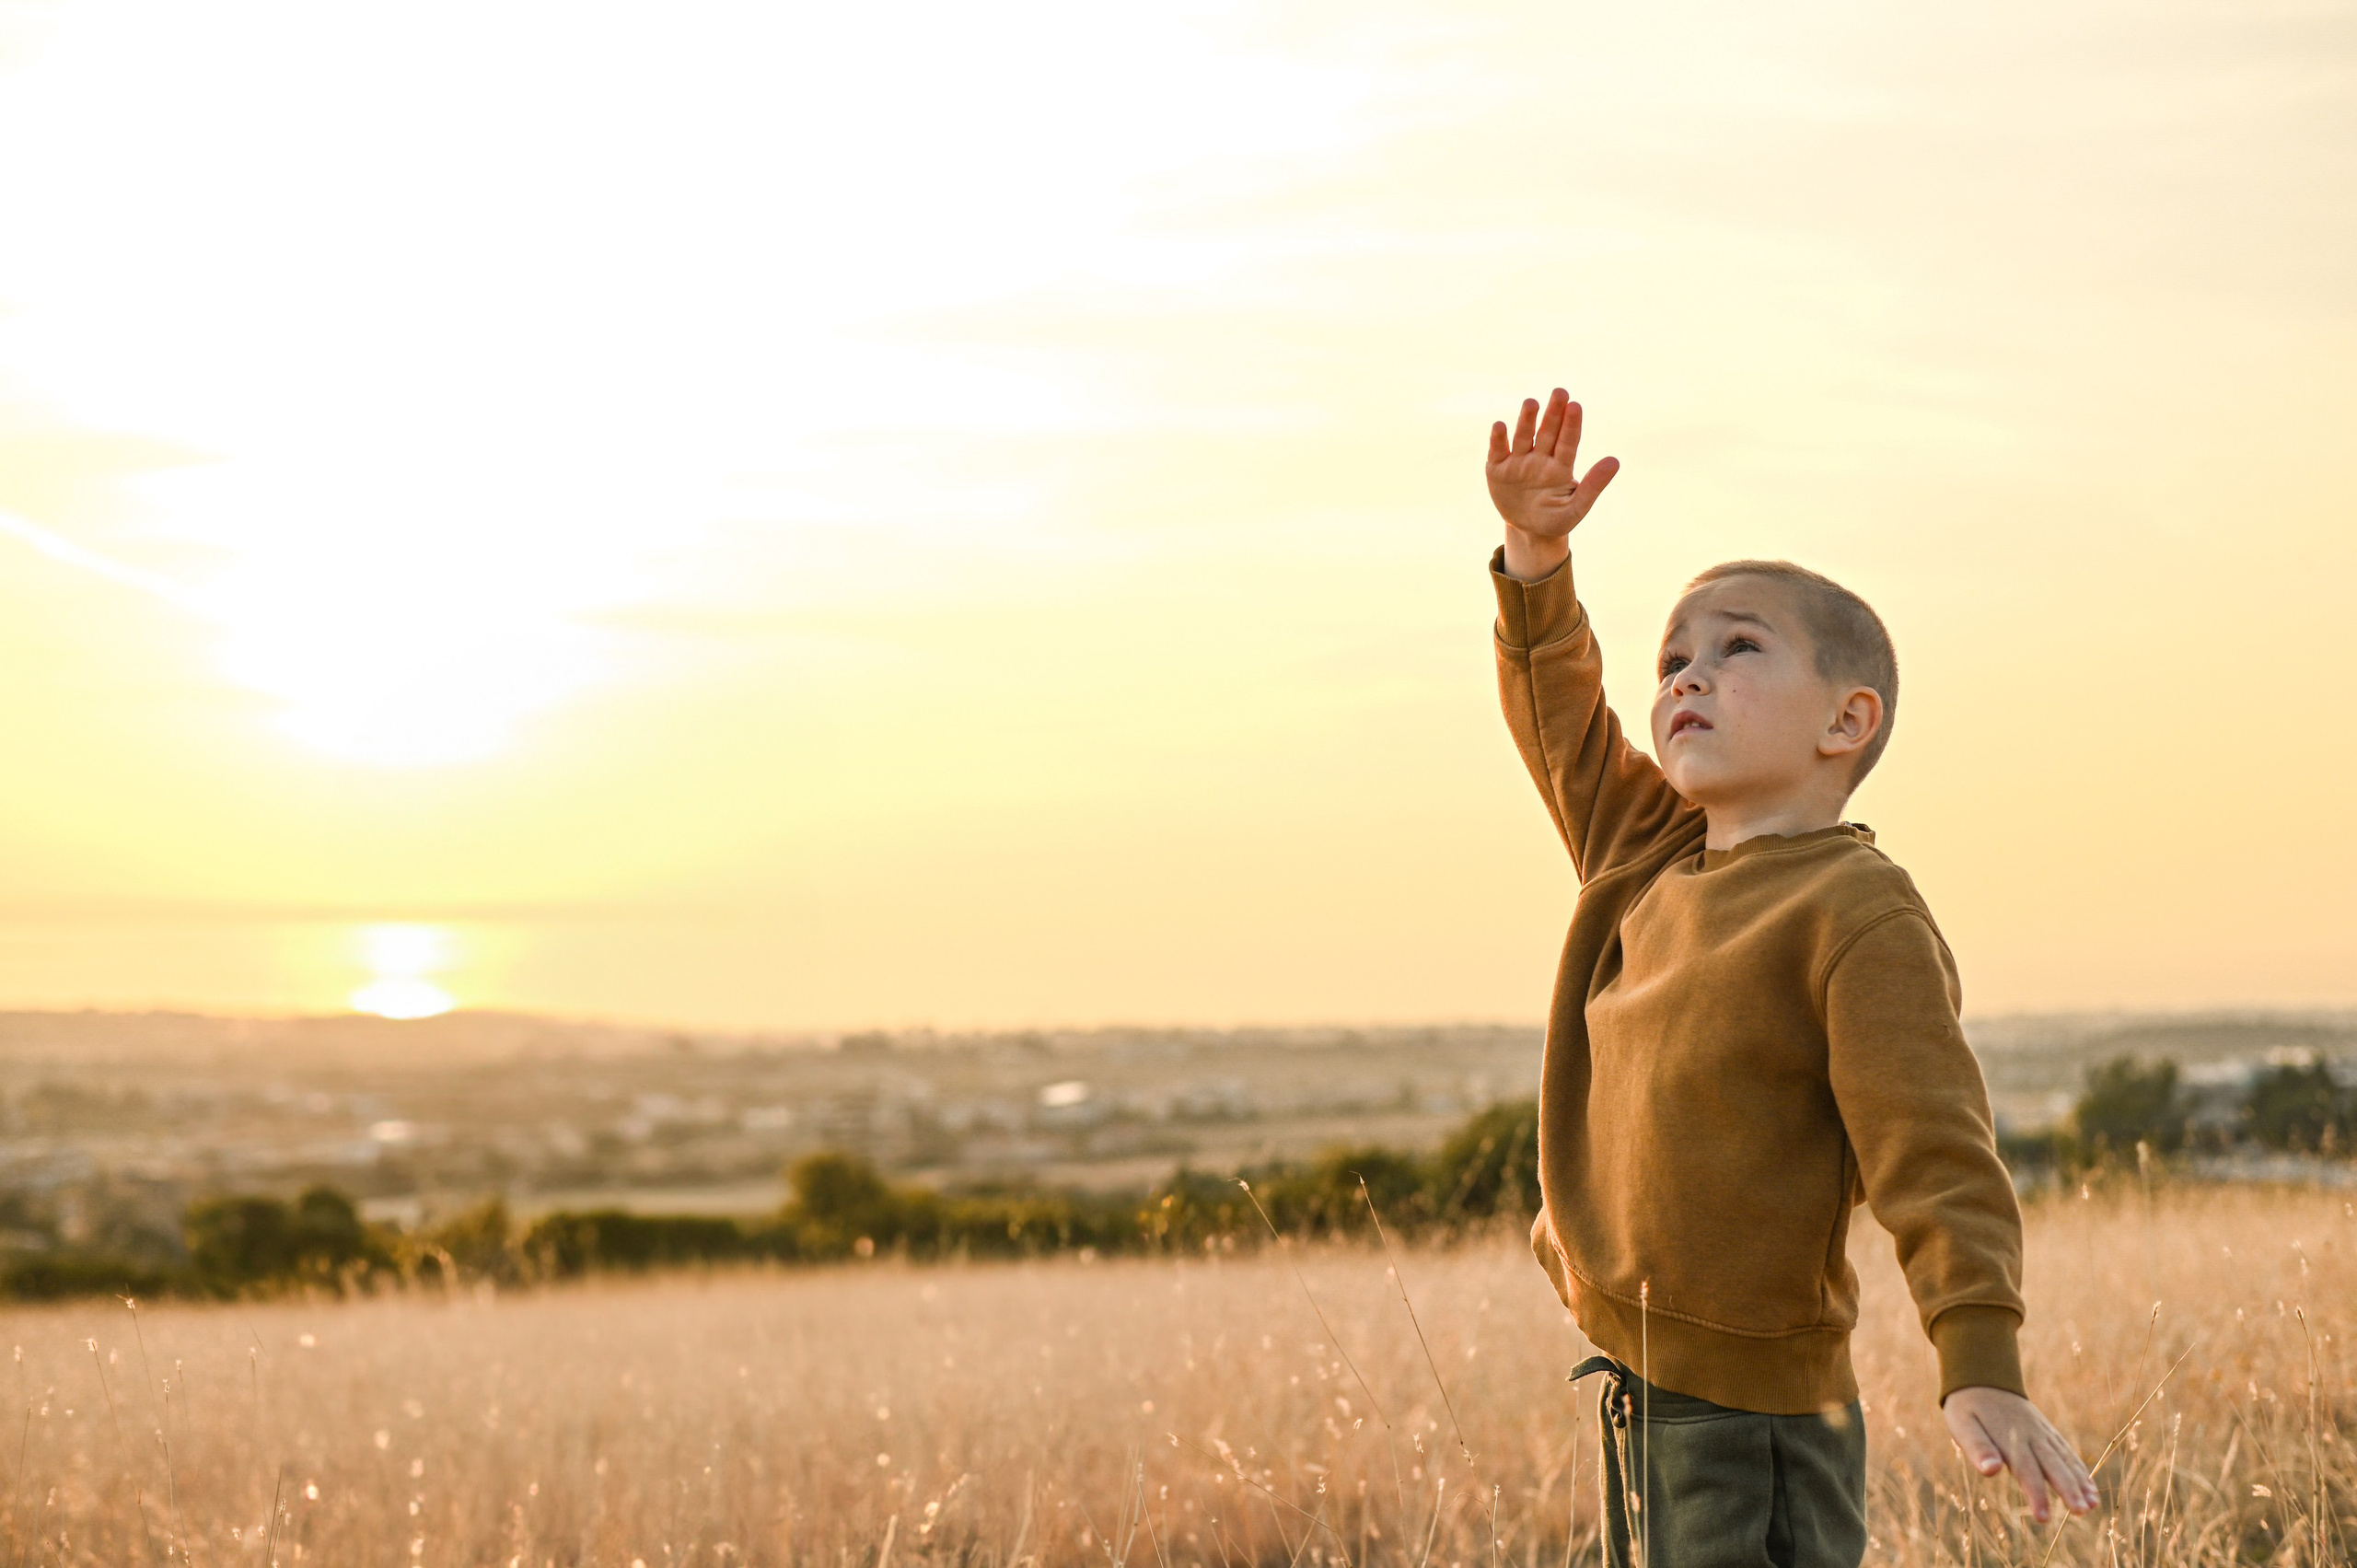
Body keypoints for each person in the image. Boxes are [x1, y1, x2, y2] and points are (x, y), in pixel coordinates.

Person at [1484, 388, 2097, 1566]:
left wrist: (1979, 1361)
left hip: (1751, 1420)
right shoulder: (1640, 850)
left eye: (1737, 649)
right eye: (1671, 658)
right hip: (1633, 1380)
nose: (1683, 677)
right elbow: (1557, 710)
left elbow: (1934, 1145)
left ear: (1845, 720)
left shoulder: (1854, 912)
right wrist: (1536, 555)